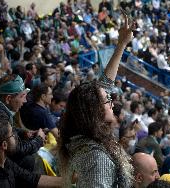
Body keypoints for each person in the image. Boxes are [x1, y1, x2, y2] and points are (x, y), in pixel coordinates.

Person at [58, 13, 134, 187]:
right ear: (95, 111)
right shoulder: (97, 159)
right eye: (108, 101)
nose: (112, 104)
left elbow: (105, 85)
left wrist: (122, 43)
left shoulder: (83, 138)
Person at [0, 113, 62, 187]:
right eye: (12, 134)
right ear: (4, 145)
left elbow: (32, 178)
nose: (16, 136)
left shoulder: (4, 162)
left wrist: (67, 180)